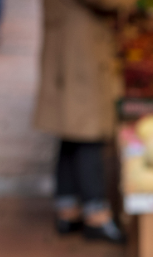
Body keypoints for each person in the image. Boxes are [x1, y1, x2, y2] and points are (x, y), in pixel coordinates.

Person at [33, 0, 129, 242]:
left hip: (71, 39)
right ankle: (95, 212)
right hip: (78, 48)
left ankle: (68, 207)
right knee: (88, 131)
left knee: (72, 130)